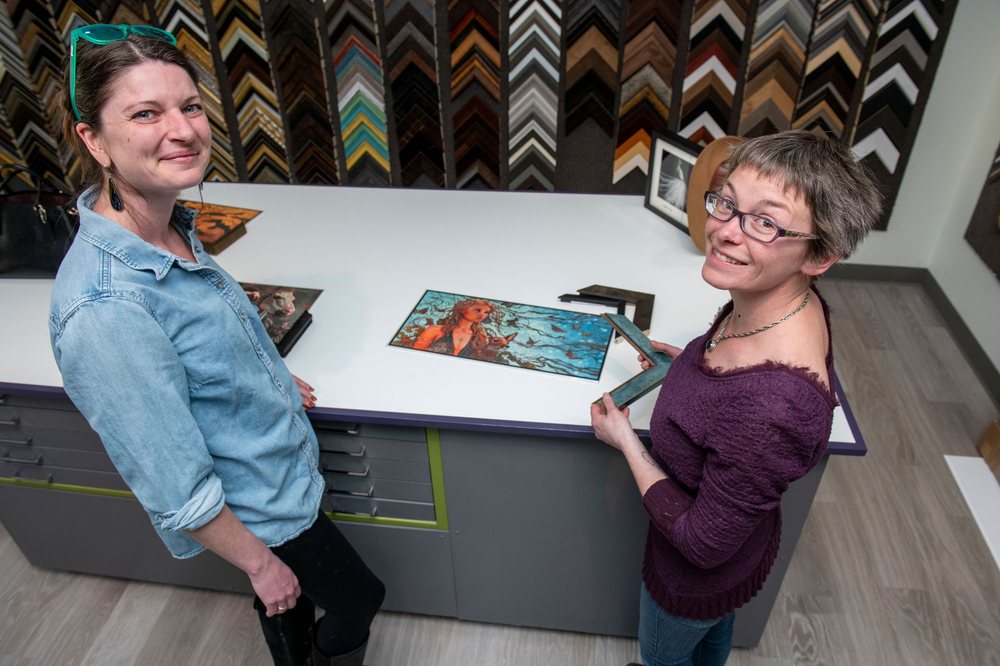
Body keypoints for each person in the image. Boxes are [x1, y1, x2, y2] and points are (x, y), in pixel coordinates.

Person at [49, 24, 383, 666]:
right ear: (94, 140)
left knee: (291, 603)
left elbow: (198, 345)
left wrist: (265, 374)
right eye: (145, 114)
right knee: (357, 599)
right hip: (262, 505)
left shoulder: (164, 225)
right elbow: (173, 485)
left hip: (274, 470)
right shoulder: (104, 309)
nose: (183, 130)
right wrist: (259, 564)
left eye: (190, 106)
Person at [591, 130, 881, 666]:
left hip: (693, 579)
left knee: (663, 658)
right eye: (727, 202)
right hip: (742, 554)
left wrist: (626, 441)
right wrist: (688, 364)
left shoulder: (772, 409)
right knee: (711, 642)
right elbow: (734, 393)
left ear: (819, 256)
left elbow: (702, 543)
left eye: (765, 222)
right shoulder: (780, 300)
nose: (724, 231)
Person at [412, 298, 515, 360]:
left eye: (486, 312)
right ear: (462, 309)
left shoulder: (480, 337)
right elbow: (415, 355)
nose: (482, 315)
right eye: (477, 310)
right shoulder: (435, 330)